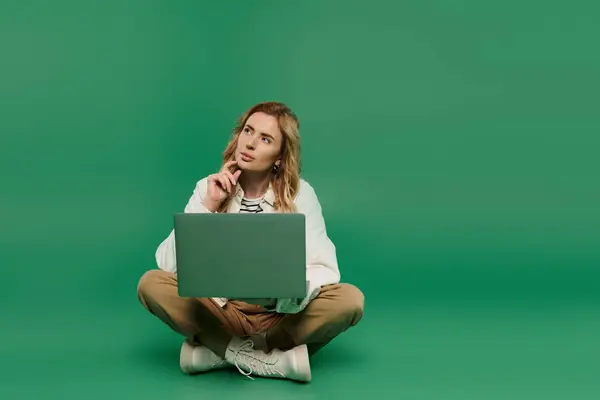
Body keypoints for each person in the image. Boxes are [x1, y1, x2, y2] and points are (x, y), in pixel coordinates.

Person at [137, 101, 364, 383]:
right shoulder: (208, 187)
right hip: (221, 310)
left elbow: (325, 269)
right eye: (248, 131)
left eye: (265, 139)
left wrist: (277, 294)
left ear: (280, 156)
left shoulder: (301, 195)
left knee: (350, 299)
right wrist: (207, 206)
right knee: (151, 283)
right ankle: (261, 360)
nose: (250, 143)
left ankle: (217, 352)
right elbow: (167, 264)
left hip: (277, 316)